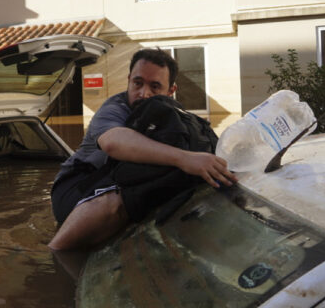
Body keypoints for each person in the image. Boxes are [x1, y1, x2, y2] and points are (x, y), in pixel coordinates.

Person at [48, 48, 237, 251]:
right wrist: (185, 158)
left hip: (113, 180)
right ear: (129, 80)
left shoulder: (174, 116)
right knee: (152, 178)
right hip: (76, 189)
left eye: (155, 87)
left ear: (171, 91)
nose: (144, 93)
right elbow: (113, 142)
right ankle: (55, 253)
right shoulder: (114, 109)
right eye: (137, 83)